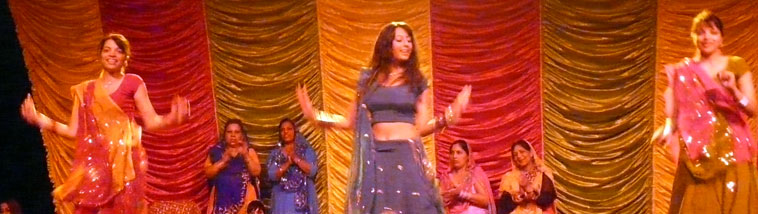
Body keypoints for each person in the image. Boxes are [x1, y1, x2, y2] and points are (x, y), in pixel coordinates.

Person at [296, 21, 471, 214]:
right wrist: (315, 116)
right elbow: (349, 121)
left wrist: (449, 116)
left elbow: (421, 126)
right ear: (387, 44)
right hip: (376, 159)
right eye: (400, 40)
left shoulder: (417, 80)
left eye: (409, 40)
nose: (407, 44)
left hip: (407, 157)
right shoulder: (368, 79)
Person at [19, 33, 190, 213]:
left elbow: (152, 121)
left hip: (125, 163)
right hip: (95, 162)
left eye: (118, 51)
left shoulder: (133, 82)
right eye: (107, 50)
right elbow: (73, 130)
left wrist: (173, 120)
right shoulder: (85, 90)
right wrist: (41, 120)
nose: (112, 54)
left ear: (126, 57)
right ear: (100, 55)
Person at [652, 10, 758, 213]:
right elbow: (674, 116)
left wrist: (733, 90)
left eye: (712, 32)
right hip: (696, 154)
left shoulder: (736, 64)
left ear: (721, 39)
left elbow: (753, 108)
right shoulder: (683, 72)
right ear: (693, 37)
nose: (706, 37)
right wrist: (666, 130)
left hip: (732, 151)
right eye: (700, 32)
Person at [205, 119, 262, 214]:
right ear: (225, 134)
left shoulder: (249, 151)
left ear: (241, 135)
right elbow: (208, 173)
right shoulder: (216, 151)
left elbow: (256, 172)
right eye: (229, 132)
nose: (233, 135)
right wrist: (223, 161)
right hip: (221, 201)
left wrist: (245, 156)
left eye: (236, 132)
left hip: (246, 201)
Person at [266, 118, 319, 214]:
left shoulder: (306, 150)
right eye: (282, 130)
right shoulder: (275, 153)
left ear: (295, 131)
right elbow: (272, 175)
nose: (286, 132)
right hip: (282, 199)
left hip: (302, 199)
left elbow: (312, 171)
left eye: (289, 129)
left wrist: (297, 160)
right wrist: (288, 163)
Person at [497, 140, 556, 214]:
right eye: (515, 155)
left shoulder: (543, 173)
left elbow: (548, 200)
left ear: (531, 153)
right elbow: (503, 208)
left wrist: (531, 193)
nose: (519, 156)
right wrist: (519, 197)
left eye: (522, 152)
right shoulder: (509, 177)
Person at [440, 140, 495, 214]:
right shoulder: (446, 176)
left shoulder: (473, 173)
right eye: (452, 153)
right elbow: (441, 201)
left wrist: (461, 194)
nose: (455, 156)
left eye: (459, 153)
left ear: (467, 156)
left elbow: (485, 201)